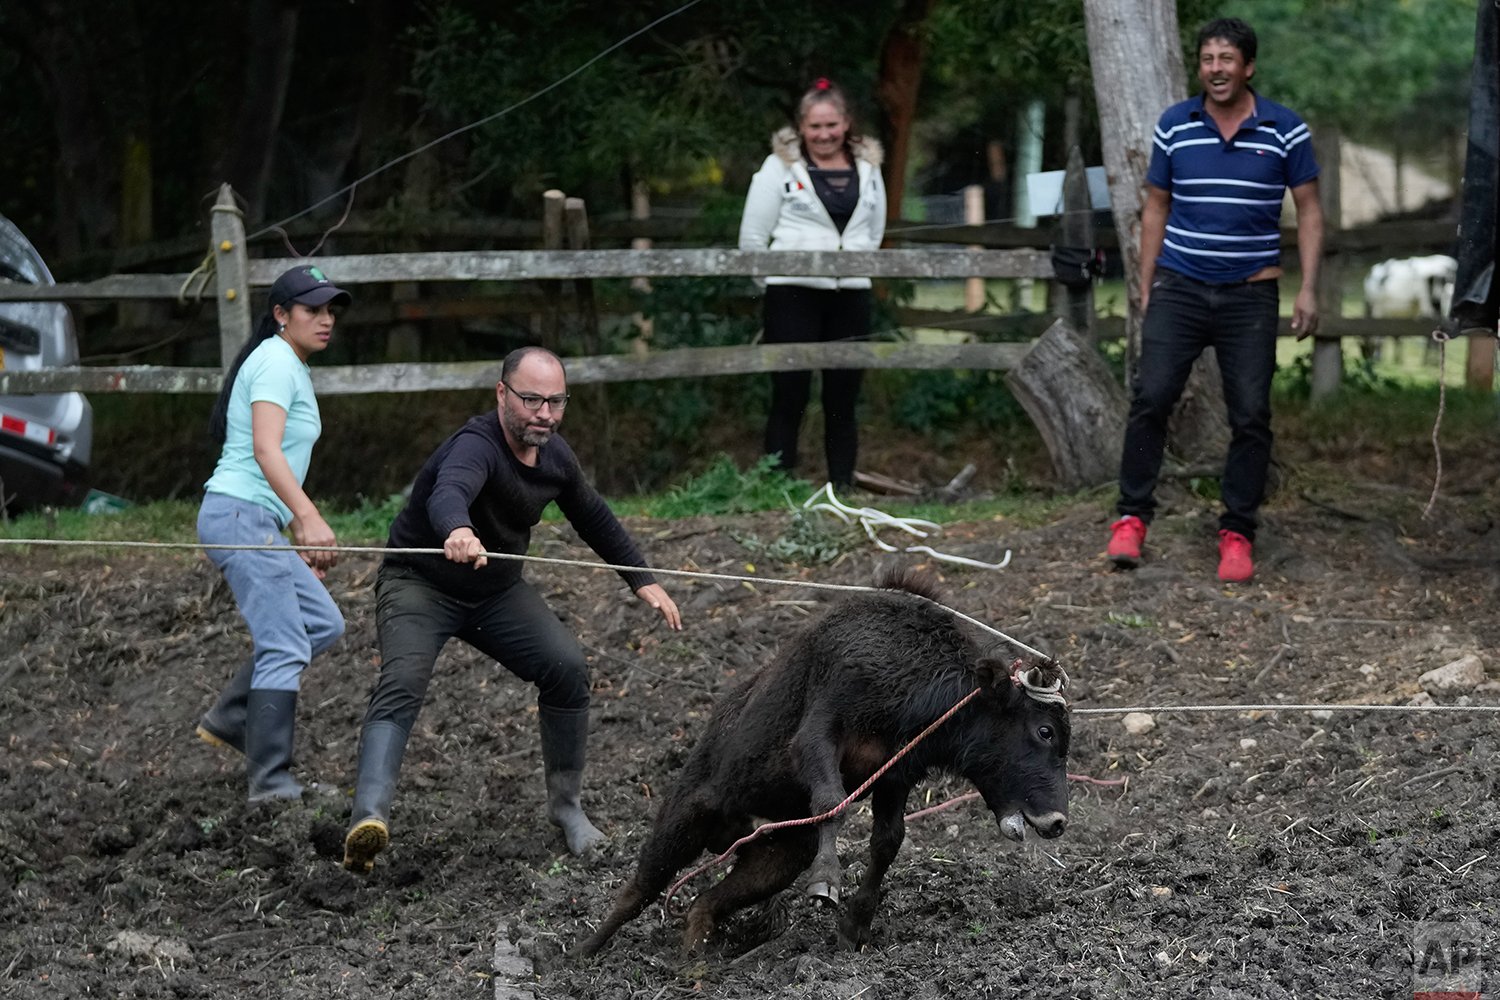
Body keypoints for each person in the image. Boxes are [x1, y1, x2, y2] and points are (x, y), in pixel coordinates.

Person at [342, 346, 682, 872]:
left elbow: (592, 515)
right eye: (531, 400)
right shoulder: (475, 446)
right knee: (403, 680)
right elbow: (448, 490)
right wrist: (457, 528)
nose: (544, 414)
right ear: (502, 394)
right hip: (420, 586)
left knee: (567, 667)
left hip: (495, 593)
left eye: (556, 401)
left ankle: (567, 808)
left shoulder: (555, 457)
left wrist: (642, 580)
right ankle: (369, 817)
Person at [1107, 17, 1323, 583]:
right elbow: (1155, 206)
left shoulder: (1285, 129)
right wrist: (1146, 283)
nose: (1216, 69)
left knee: (1251, 415)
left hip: (1251, 294)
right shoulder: (1176, 125)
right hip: (1178, 286)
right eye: (1207, 59)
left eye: (1227, 59)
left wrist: (1308, 287)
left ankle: (1237, 532)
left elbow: (1310, 210)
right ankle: (1131, 518)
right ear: (1199, 66)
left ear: (1248, 67)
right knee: (1151, 397)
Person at [195, 264, 351, 801]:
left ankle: (235, 717)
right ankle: (271, 779)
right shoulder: (275, 363)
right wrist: (306, 518)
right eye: (313, 310)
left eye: (331, 309)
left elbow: (274, 453)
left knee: (321, 623)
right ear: (281, 315)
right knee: (284, 643)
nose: (326, 319)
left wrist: (290, 528)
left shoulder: (288, 363)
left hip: (255, 519)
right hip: (239, 516)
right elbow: (264, 449)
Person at [738, 77, 887, 491]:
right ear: (801, 127)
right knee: (790, 394)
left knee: (843, 398)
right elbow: (752, 239)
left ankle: (841, 487)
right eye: (815, 127)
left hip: (851, 294)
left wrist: (851, 267)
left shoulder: (868, 168)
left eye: (831, 125)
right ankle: (778, 486)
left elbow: (873, 233)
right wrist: (776, 283)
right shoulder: (779, 169)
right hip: (792, 294)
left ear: (847, 124)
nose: (824, 135)